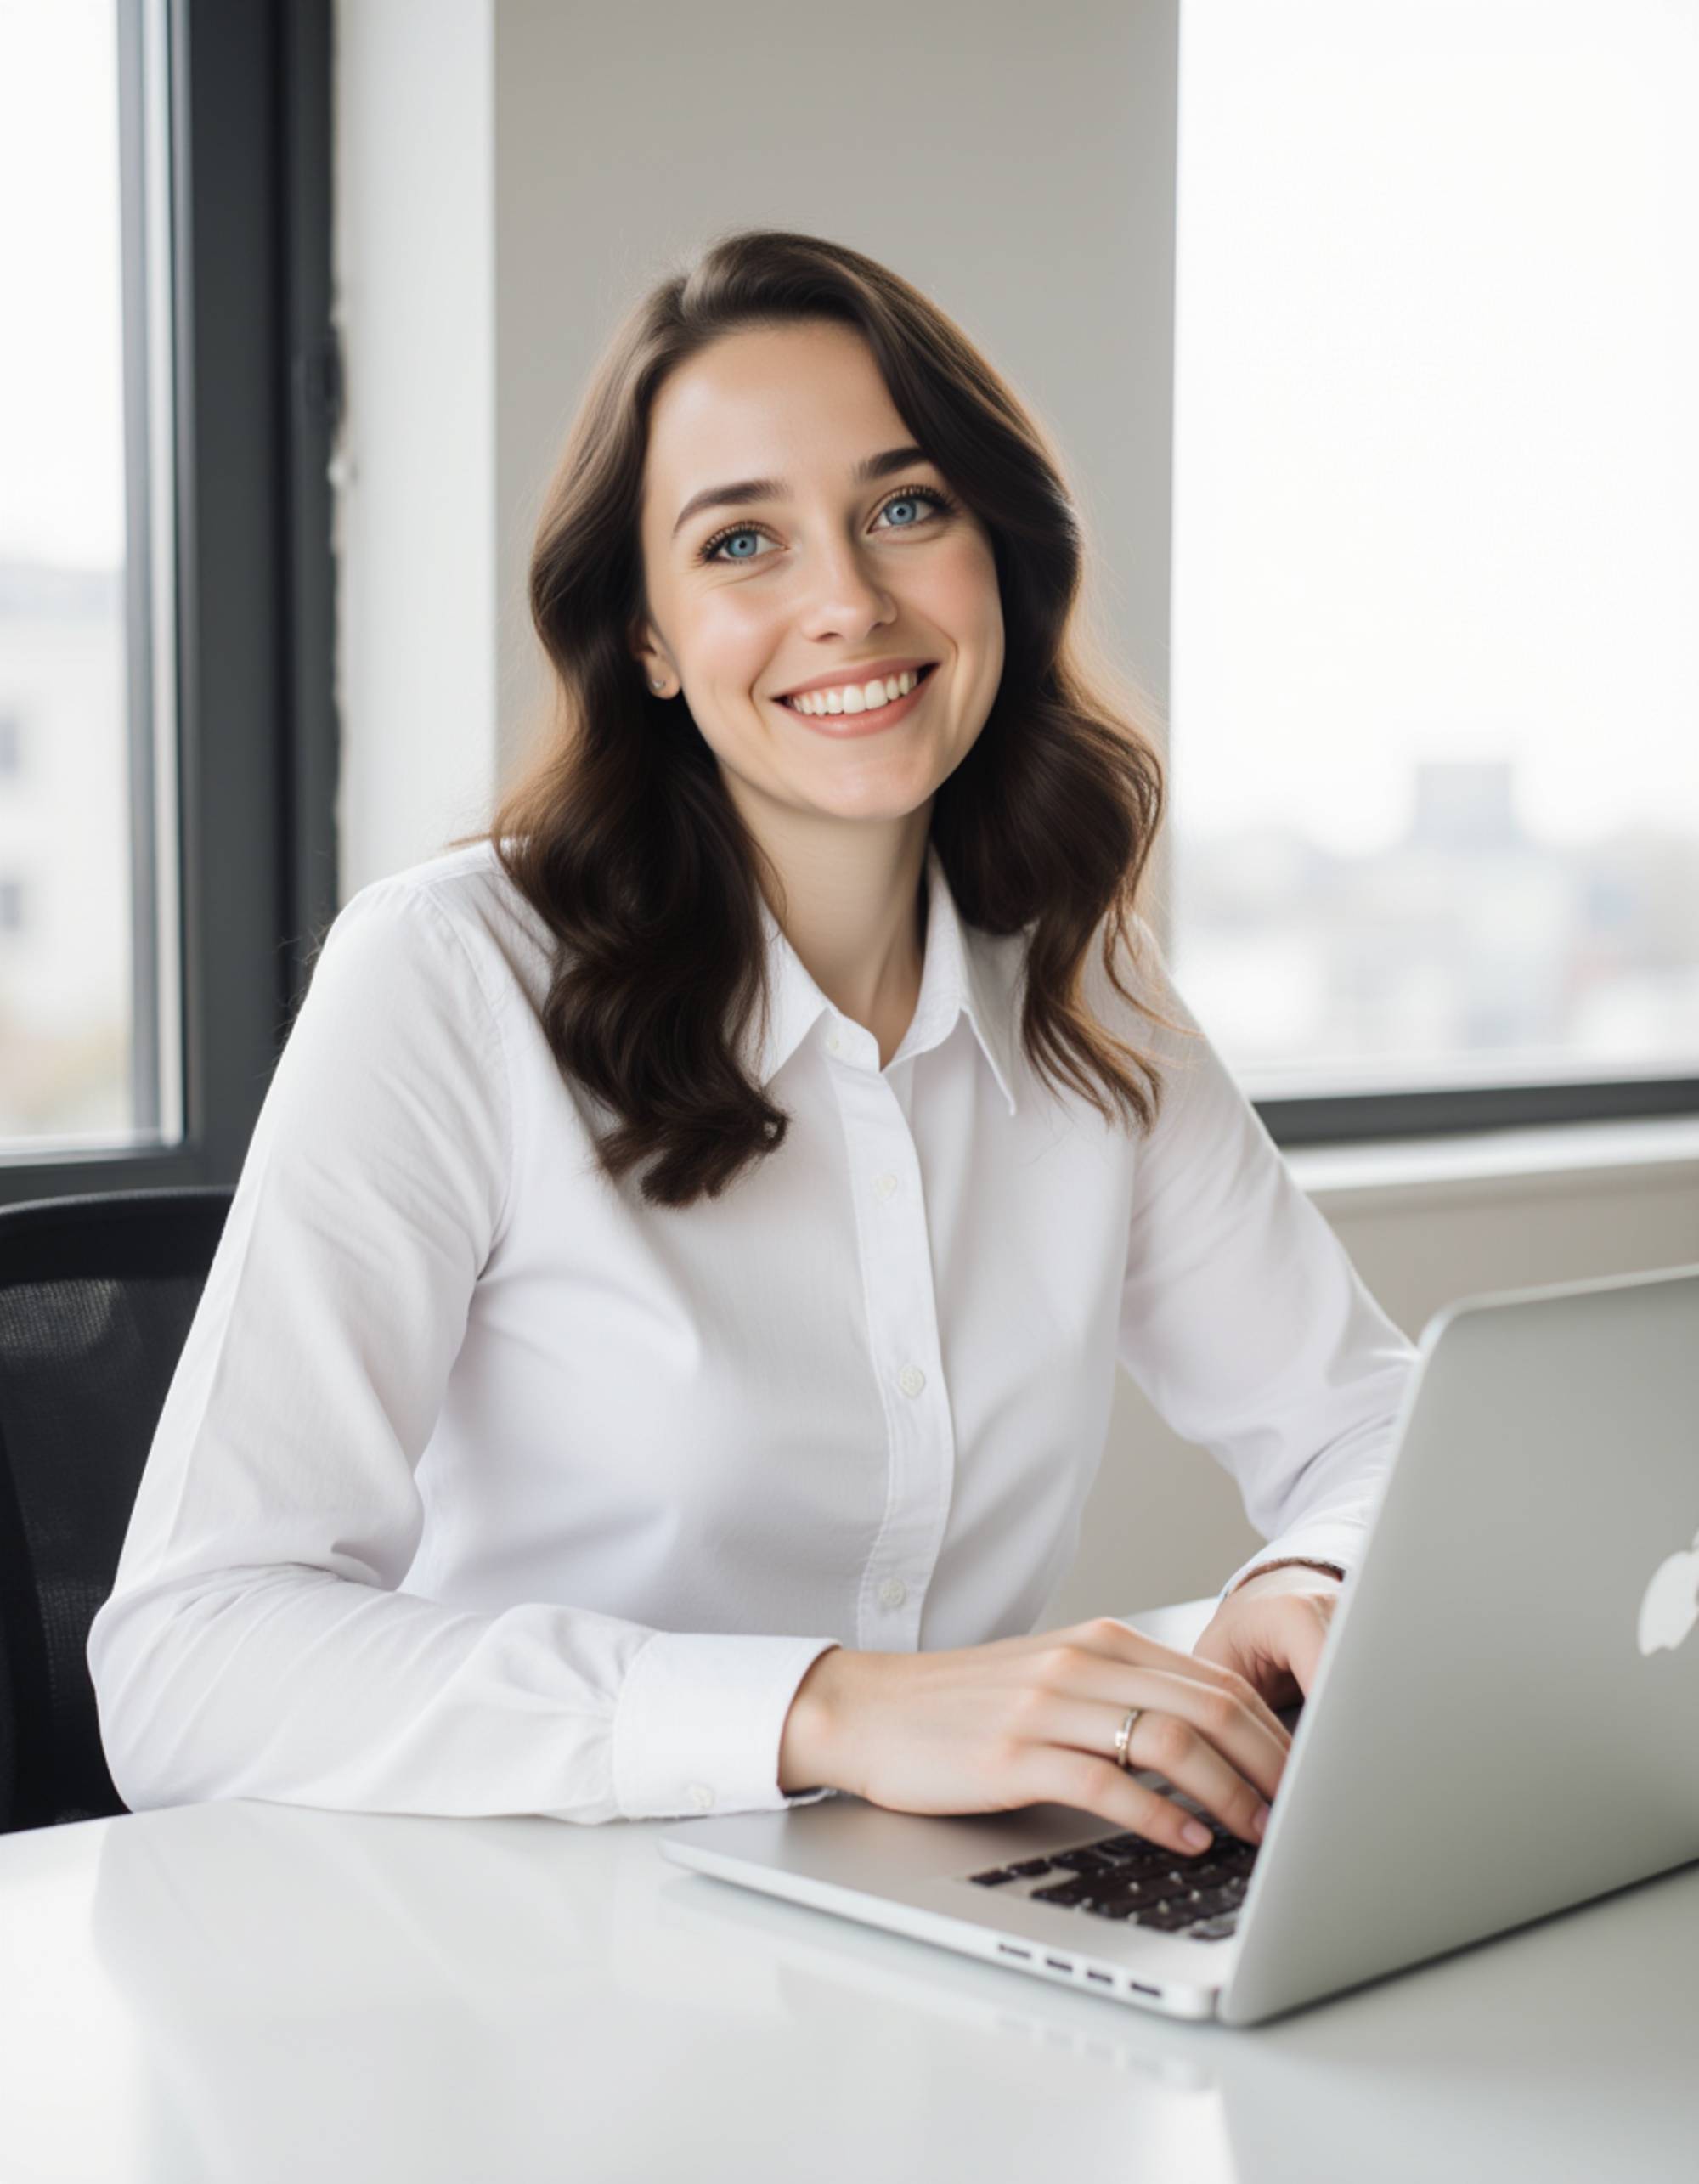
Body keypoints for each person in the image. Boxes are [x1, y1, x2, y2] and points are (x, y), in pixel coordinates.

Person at [88, 229, 1419, 1855]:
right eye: (740, 545)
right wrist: (825, 1706)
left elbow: (1371, 1420)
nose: (847, 603)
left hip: (909, 1931)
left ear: (999, 551)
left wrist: (1311, 1570)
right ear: (644, 638)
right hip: (496, 1952)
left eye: (905, 510)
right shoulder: (449, 977)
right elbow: (189, 1660)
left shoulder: (1083, 989)